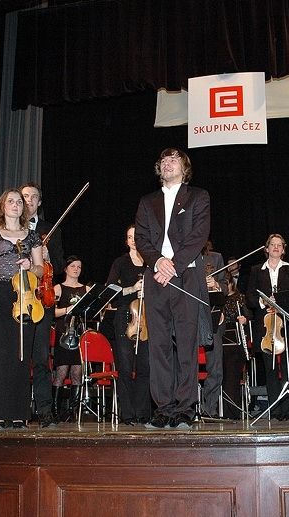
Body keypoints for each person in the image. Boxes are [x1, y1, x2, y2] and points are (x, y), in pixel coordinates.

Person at [134, 147, 212, 429]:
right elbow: (141, 238)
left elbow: (199, 235)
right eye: (163, 160)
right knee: (159, 345)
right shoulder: (147, 201)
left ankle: (185, 409)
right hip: (156, 277)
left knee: (187, 344)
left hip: (185, 276)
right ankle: (164, 408)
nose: (167, 163)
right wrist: (158, 263)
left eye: (174, 159)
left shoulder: (198, 196)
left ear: (184, 167)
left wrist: (173, 266)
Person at [0, 189, 44, 429]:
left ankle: (18, 413)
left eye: (19, 201)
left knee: (20, 354)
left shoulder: (32, 236)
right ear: (2, 206)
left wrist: (30, 266)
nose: (16, 205)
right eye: (11, 201)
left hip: (24, 296)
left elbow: (41, 269)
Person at [246, 233, 289, 420]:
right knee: (269, 368)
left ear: (283, 250)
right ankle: (274, 408)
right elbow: (250, 297)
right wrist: (263, 303)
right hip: (265, 325)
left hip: (285, 323)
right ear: (267, 248)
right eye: (273, 244)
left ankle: (288, 409)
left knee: (287, 366)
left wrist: (280, 302)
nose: (276, 247)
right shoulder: (256, 270)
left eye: (280, 245)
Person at [21, 182, 63, 428]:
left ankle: (45, 410)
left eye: (33, 197)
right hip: (18, 297)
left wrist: (48, 257)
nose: (29, 200)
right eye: (25, 196)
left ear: (39, 202)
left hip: (42, 297)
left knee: (40, 357)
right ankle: (16, 408)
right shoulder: (12, 228)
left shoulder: (50, 230)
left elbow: (60, 264)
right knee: (17, 357)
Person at [106, 225, 151, 425]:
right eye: (130, 237)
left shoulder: (151, 263)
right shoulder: (120, 263)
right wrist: (132, 288)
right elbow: (110, 290)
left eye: (137, 237)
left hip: (148, 319)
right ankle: (128, 414)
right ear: (127, 241)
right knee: (125, 367)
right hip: (126, 317)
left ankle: (142, 412)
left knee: (145, 367)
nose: (134, 240)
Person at [52, 256, 90, 421]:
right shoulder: (58, 288)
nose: (76, 269)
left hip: (79, 335)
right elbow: (52, 312)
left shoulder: (86, 289)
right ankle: (55, 411)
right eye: (73, 266)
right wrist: (69, 309)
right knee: (61, 373)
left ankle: (74, 412)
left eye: (79, 267)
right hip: (64, 334)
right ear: (66, 269)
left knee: (77, 373)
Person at [219, 272, 252, 419]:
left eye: (226, 283)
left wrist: (245, 319)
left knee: (232, 375)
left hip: (236, 345)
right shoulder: (218, 299)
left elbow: (249, 316)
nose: (224, 287)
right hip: (221, 343)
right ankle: (219, 410)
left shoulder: (240, 298)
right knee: (221, 374)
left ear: (232, 284)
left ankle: (231, 411)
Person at [200, 239, 226, 417]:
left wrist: (216, 284)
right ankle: (185, 406)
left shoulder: (216, 258)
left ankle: (209, 408)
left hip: (212, 316)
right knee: (184, 363)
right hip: (190, 316)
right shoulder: (183, 258)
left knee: (215, 366)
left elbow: (225, 287)